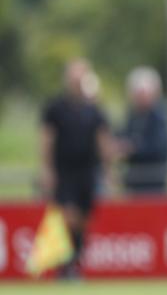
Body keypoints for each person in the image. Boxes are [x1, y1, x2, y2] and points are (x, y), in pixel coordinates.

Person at [40, 59, 115, 278]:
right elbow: (46, 139)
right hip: (64, 170)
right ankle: (67, 265)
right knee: (68, 216)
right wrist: (47, 169)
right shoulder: (55, 108)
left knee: (83, 219)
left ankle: (75, 263)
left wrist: (109, 171)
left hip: (88, 171)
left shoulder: (94, 109)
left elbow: (103, 141)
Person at [119, 67, 167, 194]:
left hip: (154, 182)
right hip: (134, 181)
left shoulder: (160, 116)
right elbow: (123, 134)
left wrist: (133, 148)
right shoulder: (133, 115)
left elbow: (160, 147)